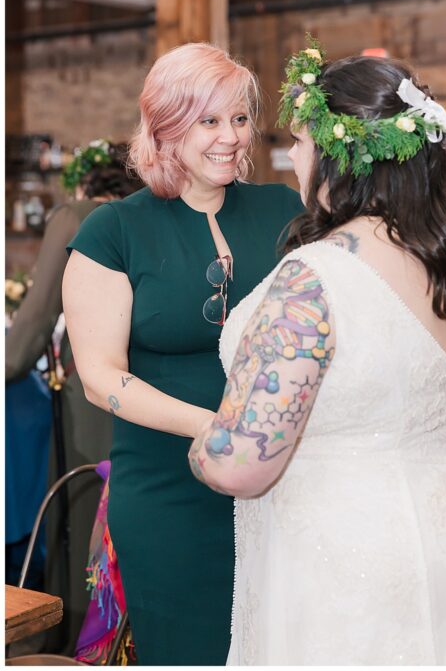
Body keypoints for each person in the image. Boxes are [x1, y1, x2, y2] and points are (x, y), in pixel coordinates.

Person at [187, 42, 446, 664]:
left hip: (352, 565)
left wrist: (207, 443)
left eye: (300, 143)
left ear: (340, 156)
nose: (292, 158)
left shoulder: (315, 278)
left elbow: (239, 466)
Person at [62, 43, 303, 664]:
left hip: (284, 486)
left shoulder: (285, 210)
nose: (230, 137)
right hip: (169, 495)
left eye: (239, 118)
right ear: (166, 126)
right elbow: (98, 377)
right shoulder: (112, 232)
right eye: (208, 120)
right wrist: (220, 427)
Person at [5, 145, 141, 653]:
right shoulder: (163, 216)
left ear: (86, 186)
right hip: (155, 410)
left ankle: (77, 651)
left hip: (94, 412)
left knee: (86, 534)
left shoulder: (77, 217)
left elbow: (23, 343)